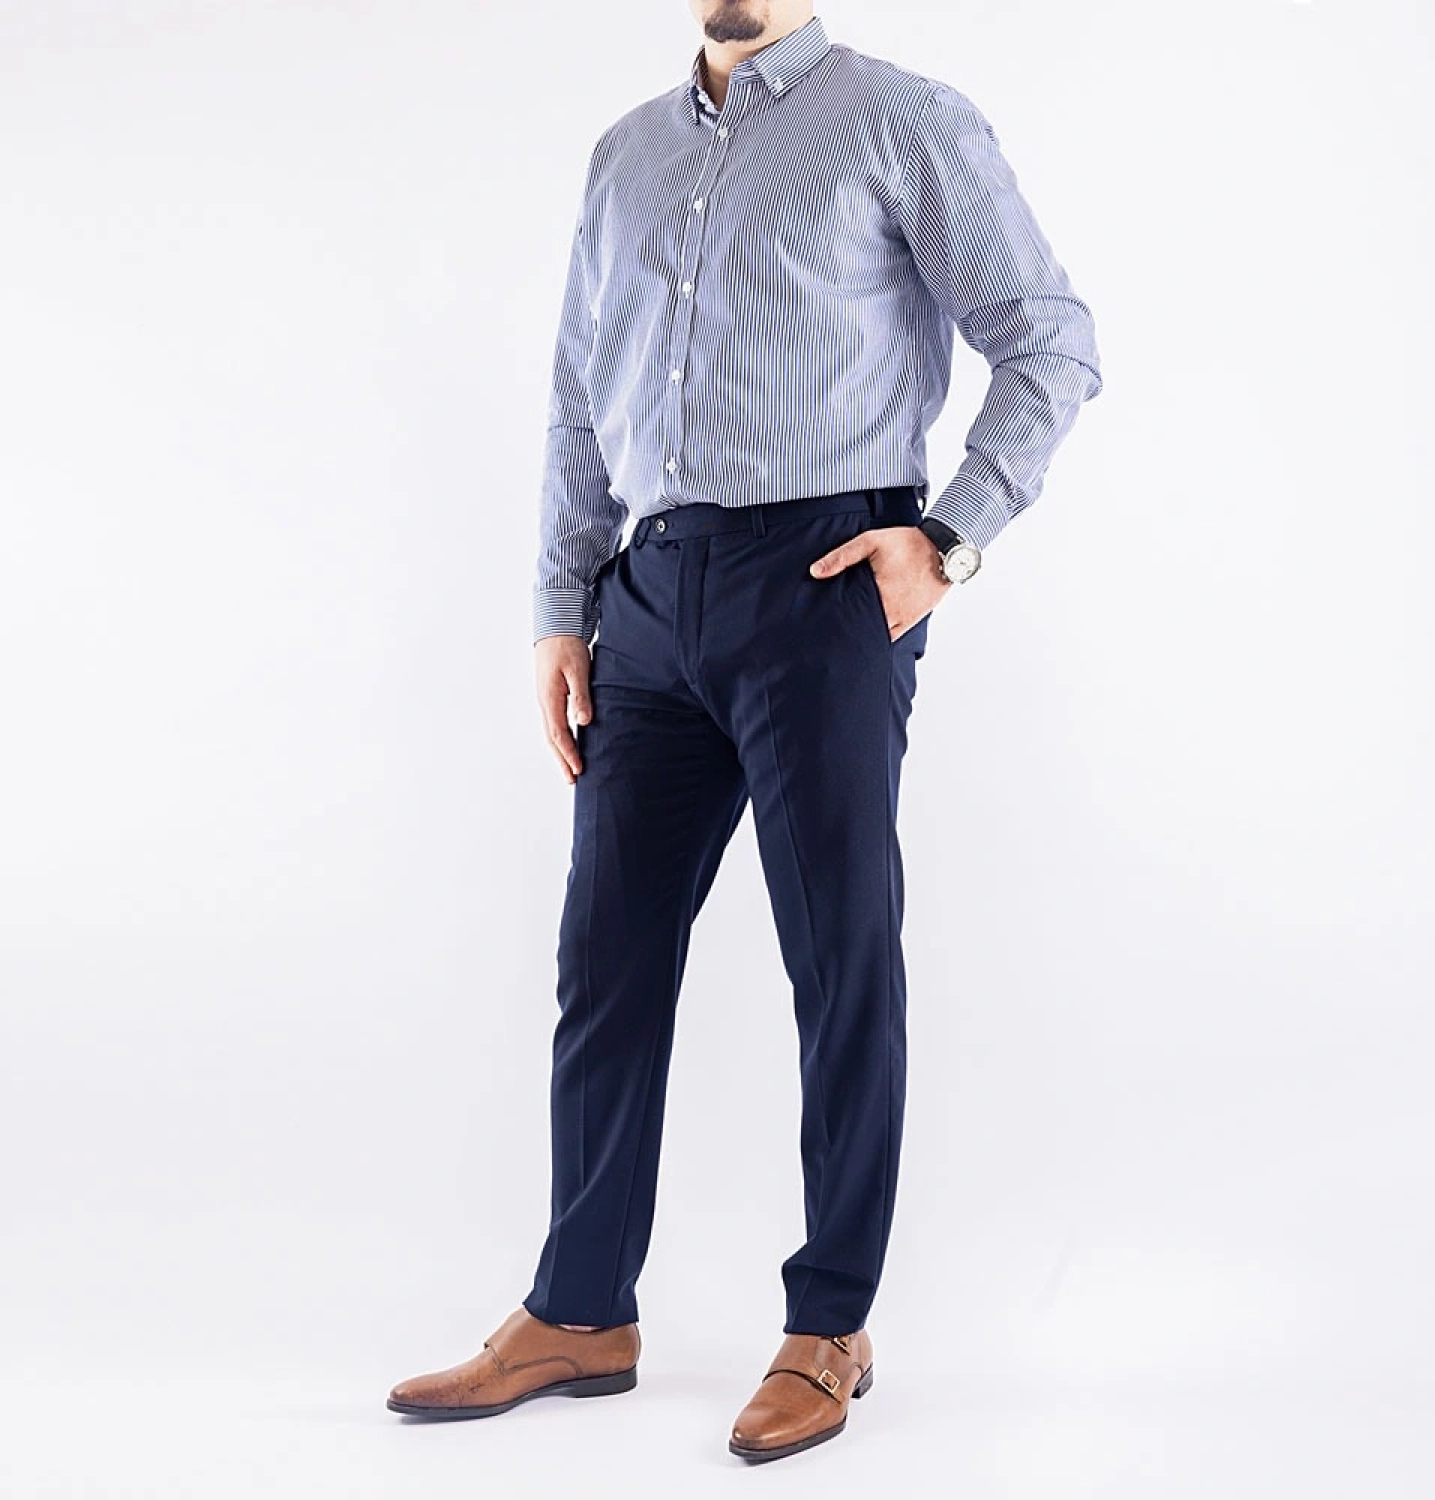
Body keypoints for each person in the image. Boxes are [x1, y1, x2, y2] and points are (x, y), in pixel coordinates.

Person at [387, 0, 1101, 1464]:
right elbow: (579, 395)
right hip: (647, 594)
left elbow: (1049, 342)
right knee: (605, 960)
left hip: (826, 580)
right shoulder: (625, 153)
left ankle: (831, 1323)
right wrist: (562, 605)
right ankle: (582, 1308)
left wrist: (948, 538)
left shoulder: (901, 120)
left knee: (839, 958)